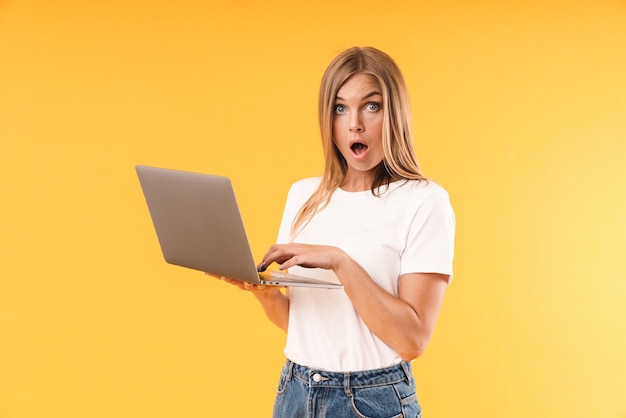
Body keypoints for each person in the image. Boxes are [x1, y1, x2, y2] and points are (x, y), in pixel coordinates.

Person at [217, 46, 455, 417]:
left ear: (395, 113)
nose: (354, 124)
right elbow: (301, 324)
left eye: (371, 106)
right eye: (340, 108)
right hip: (295, 391)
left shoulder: (424, 201)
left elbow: (412, 340)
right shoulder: (304, 196)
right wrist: (261, 293)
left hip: (372, 399)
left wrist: (341, 263)